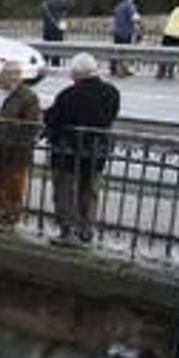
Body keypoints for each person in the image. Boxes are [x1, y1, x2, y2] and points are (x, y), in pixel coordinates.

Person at [44, 52, 120, 247]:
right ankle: (86, 231)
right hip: (97, 153)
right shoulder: (112, 93)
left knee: (65, 193)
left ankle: (67, 232)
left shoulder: (69, 95)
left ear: (77, 74)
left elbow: (53, 119)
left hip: (68, 153)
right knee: (90, 192)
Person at [0, 60, 43, 228]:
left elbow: (32, 126)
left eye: (16, 75)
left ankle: (8, 219)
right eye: (9, 74)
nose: (13, 78)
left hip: (14, 151)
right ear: (1, 75)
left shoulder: (28, 97)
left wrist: (13, 136)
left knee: (12, 186)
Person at [111, 0, 141, 77]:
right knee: (125, 52)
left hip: (117, 32)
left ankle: (114, 69)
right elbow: (135, 19)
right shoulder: (130, 6)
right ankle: (123, 70)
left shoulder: (118, 6)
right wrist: (139, 28)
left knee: (117, 51)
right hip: (126, 32)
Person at [40, 0, 73, 66]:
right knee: (57, 52)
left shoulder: (45, 3)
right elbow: (69, 5)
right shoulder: (58, 3)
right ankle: (55, 66)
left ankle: (44, 65)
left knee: (46, 51)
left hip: (47, 30)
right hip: (57, 30)